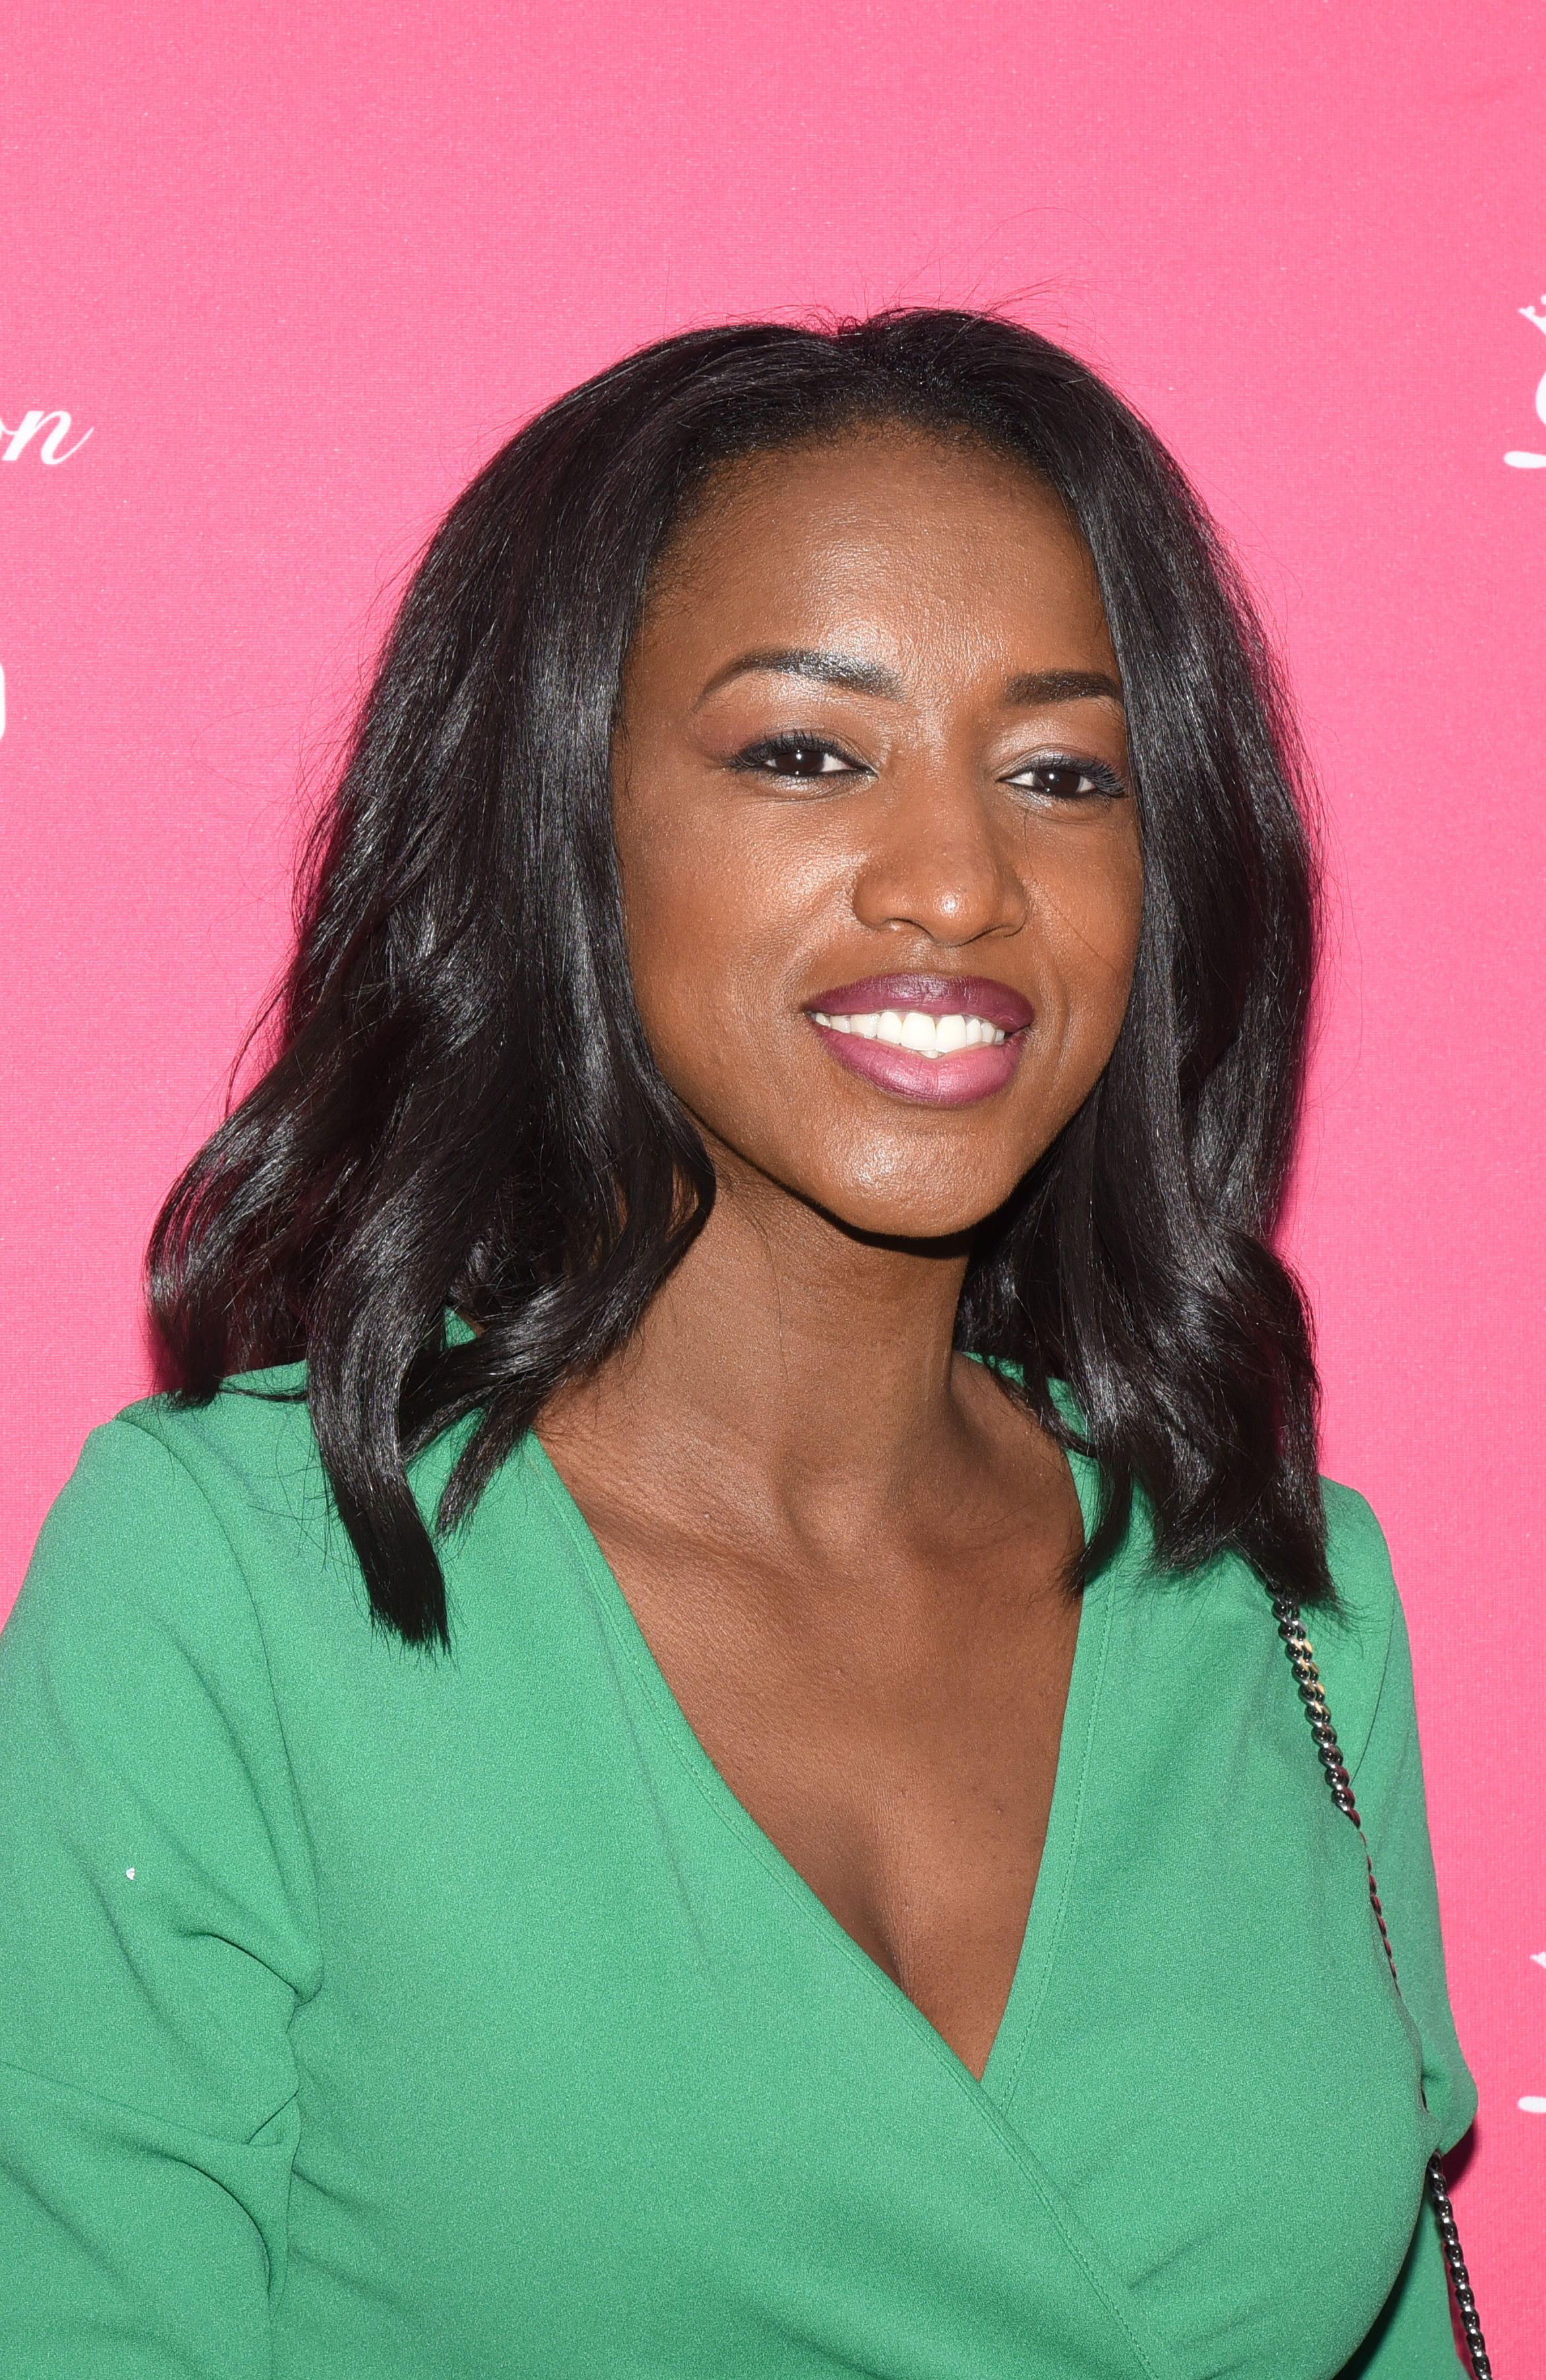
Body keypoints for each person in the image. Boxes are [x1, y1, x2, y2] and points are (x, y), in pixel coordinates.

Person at [0, 309, 1480, 2377]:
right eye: (806, 752)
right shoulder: (231, 1585)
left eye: (1065, 775)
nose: (959, 882)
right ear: (558, 820)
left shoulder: (1282, 1602)